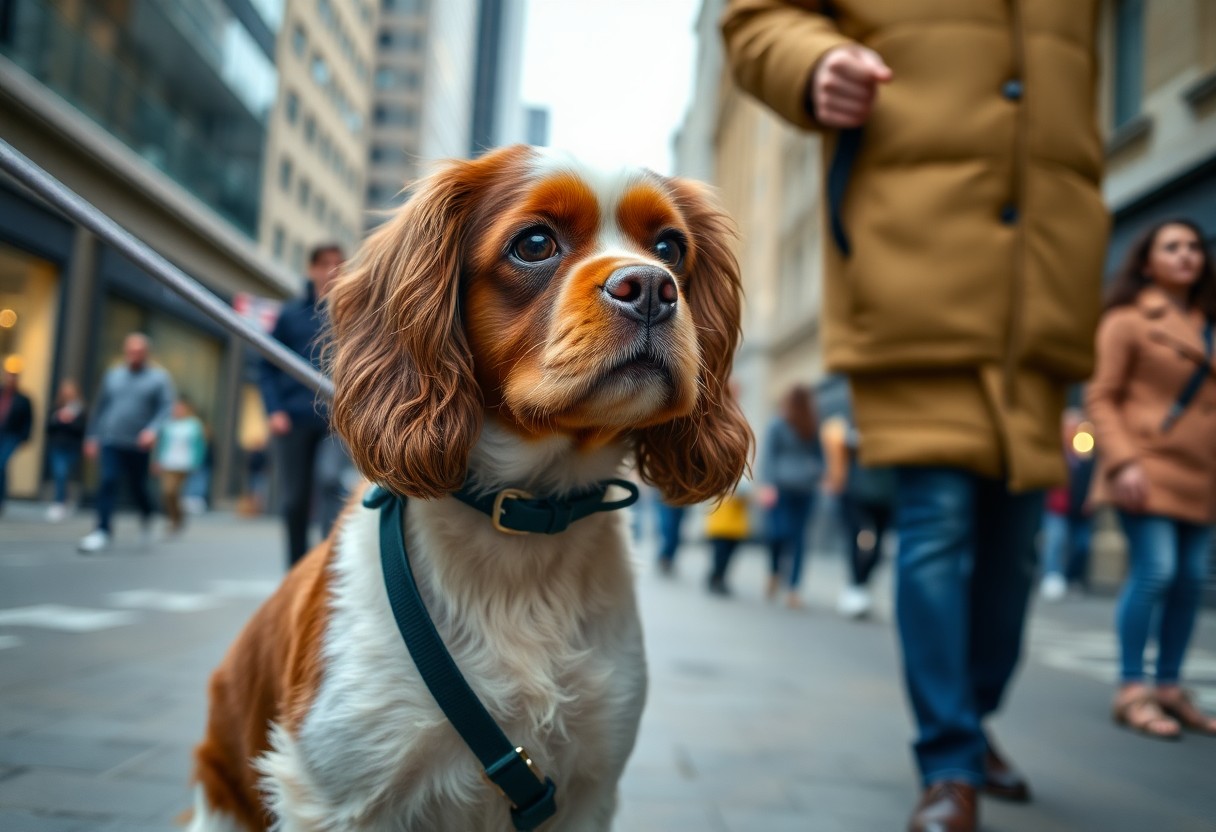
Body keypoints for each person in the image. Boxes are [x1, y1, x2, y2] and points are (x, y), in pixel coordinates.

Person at [722, 3, 1107, 829]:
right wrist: (812, 61)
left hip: (1041, 295)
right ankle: (949, 757)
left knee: (1016, 544)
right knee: (936, 520)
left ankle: (969, 723)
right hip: (911, 275)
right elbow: (755, 21)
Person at [1086, 219, 1216, 740]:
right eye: (1172, 247)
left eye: (1193, 247)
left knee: (1189, 580)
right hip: (1147, 466)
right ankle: (1131, 687)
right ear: (1146, 261)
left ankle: (1168, 688)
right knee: (1156, 571)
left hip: (1202, 475)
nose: (1186, 255)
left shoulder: (1209, 322)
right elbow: (1100, 396)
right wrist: (1123, 462)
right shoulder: (1126, 320)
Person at [260, 243, 352, 567]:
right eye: (325, 263)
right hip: (294, 418)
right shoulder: (289, 315)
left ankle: (326, 566)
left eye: (339, 264)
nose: (333, 270)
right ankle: (297, 568)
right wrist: (275, 411)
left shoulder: (353, 312)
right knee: (294, 499)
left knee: (330, 482)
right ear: (312, 269)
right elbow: (266, 365)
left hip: (335, 418)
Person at [79, 333, 175, 552]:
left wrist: (152, 430)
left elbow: (165, 409)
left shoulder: (159, 378)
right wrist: (92, 436)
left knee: (137, 487)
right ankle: (102, 530)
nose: (134, 356)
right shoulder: (113, 375)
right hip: (111, 440)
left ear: (146, 354)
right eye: (131, 351)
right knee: (108, 481)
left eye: (139, 352)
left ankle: (147, 515)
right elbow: (100, 407)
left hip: (138, 444)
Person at [822, 412, 895, 620]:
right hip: (858, 494)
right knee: (859, 541)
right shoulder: (851, 427)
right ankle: (856, 586)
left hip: (882, 497)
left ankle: (859, 585)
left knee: (874, 545)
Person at [758, 385, 822, 609]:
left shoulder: (812, 425)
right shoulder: (778, 424)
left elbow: (820, 456)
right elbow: (769, 455)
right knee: (778, 533)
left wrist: (815, 472)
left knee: (799, 538)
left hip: (805, 490)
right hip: (781, 488)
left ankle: (794, 588)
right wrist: (767, 484)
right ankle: (775, 571)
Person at [1039, 408, 1097, 601]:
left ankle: (1072, 577)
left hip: (1079, 508)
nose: (1073, 431)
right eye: (1070, 427)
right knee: (1055, 541)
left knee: (1081, 544)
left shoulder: (1084, 451)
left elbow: (1090, 478)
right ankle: (1052, 576)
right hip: (1057, 507)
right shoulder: (1056, 451)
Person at [153, 397, 207, 537]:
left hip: (184, 464)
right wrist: (156, 460)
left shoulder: (194, 425)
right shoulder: (168, 423)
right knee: (166, 492)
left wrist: (196, 462)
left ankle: (177, 520)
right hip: (168, 462)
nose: (177, 410)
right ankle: (175, 519)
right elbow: (161, 444)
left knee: (174, 492)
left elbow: (200, 445)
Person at [45, 378, 87, 521]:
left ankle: (64, 501)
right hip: (57, 445)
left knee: (65, 474)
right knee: (60, 473)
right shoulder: (56, 408)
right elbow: (49, 428)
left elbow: (82, 430)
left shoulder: (80, 409)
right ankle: (59, 502)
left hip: (72, 446)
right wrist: (58, 419)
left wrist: (70, 421)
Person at [705, 478, 753, 596]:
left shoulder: (744, 480)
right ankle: (715, 578)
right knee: (719, 557)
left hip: (736, 528)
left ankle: (720, 578)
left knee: (728, 557)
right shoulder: (720, 476)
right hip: (720, 527)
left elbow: (750, 499)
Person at [0, 369, 33, 515]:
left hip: (12, 435)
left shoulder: (23, 399)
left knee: (1, 463)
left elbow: (28, 420)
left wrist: (25, 438)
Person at [654, 499, 687, 575]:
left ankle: (666, 558)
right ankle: (665, 558)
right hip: (666, 495)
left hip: (681, 497)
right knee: (669, 529)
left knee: (674, 531)